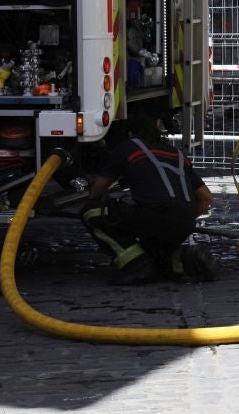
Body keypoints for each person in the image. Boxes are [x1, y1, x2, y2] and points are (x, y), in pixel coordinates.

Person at [83, 99, 217, 285]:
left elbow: (96, 192)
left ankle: (136, 264)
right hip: (184, 223)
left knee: (92, 212)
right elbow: (206, 198)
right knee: (158, 258)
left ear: (129, 133)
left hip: (154, 217)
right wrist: (182, 217)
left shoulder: (127, 148)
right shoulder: (176, 154)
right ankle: (182, 261)